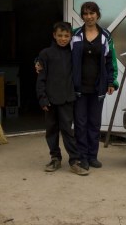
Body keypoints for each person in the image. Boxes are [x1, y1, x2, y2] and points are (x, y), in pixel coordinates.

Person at [36, 21, 89, 176]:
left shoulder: (74, 54)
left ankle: (74, 160)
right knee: (51, 130)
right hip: (50, 101)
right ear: (54, 35)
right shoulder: (45, 54)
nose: (63, 39)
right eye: (60, 35)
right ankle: (55, 158)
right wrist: (42, 98)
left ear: (71, 37)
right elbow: (41, 78)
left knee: (67, 131)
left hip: (67, 99)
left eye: (66, 36)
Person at [71, 1, 118, 170]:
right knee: (80, 123)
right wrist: (40, 62)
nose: (89, 17)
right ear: (82, 16)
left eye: (92, 13)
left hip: (98, 88)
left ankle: (93, 156)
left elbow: (110, 60)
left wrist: (112, 81)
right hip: (79, 88)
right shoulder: (75, 34)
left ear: (98, 14)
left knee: (94, 123)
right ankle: (82, 157)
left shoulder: (106, 36)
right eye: (85, 13)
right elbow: (59, 52)